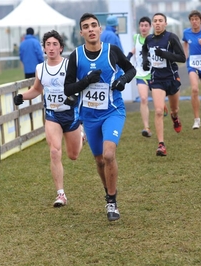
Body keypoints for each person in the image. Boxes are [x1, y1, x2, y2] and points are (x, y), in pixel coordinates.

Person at [64, 13, 136, 221]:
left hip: (113, 111)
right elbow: (68, 88)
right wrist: (85, 81)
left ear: (100, 29)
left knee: (109, 154)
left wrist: (123, 80)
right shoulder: (76, 56)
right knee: (98, 160)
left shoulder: (112, 51)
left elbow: (130, 69)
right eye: (86, 26)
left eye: (94, 25)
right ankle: (108, 193)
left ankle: (112, 202)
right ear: (81, 32)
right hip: (89, 115)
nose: (91, 29)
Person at [13, 30, 84, 207]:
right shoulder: (40, 68)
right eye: (48, 45)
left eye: (54, 44)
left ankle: (81, 136)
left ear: (61, 47)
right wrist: (22, 96)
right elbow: (37, 89)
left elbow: (79, 87)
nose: (51, 48)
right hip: (52, 115)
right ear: (43, 48)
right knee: (54, 151)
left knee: (73, 155)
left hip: (70, 114)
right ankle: (61, 194)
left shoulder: (69, 65)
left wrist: (73, 96)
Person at [141, 13, 186, 156]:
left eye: (161, 21)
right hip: (157, 79)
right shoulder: (149, 39)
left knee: (174, 109)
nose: (158, 23)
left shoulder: (171, 38)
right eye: (155, 21)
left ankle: (175, 118)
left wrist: (165, 54)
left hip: (171, 78)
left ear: (165, 23)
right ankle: (161, 145)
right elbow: (144, 50)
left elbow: (182, 58)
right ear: (152, 24)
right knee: (159, 111)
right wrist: (145, 61)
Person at [126, 16, 153, 137]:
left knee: (160, 100)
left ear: (150, 27)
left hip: (155, 73)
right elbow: (135, 49)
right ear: (139, 26)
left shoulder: (154, 39)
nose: (143, 27)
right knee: (143, 99)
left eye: (146, 25)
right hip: (141, 73)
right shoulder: (136, 37)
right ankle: (146, 127)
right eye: (141, 25)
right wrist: (128, 56)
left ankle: (162, 105)